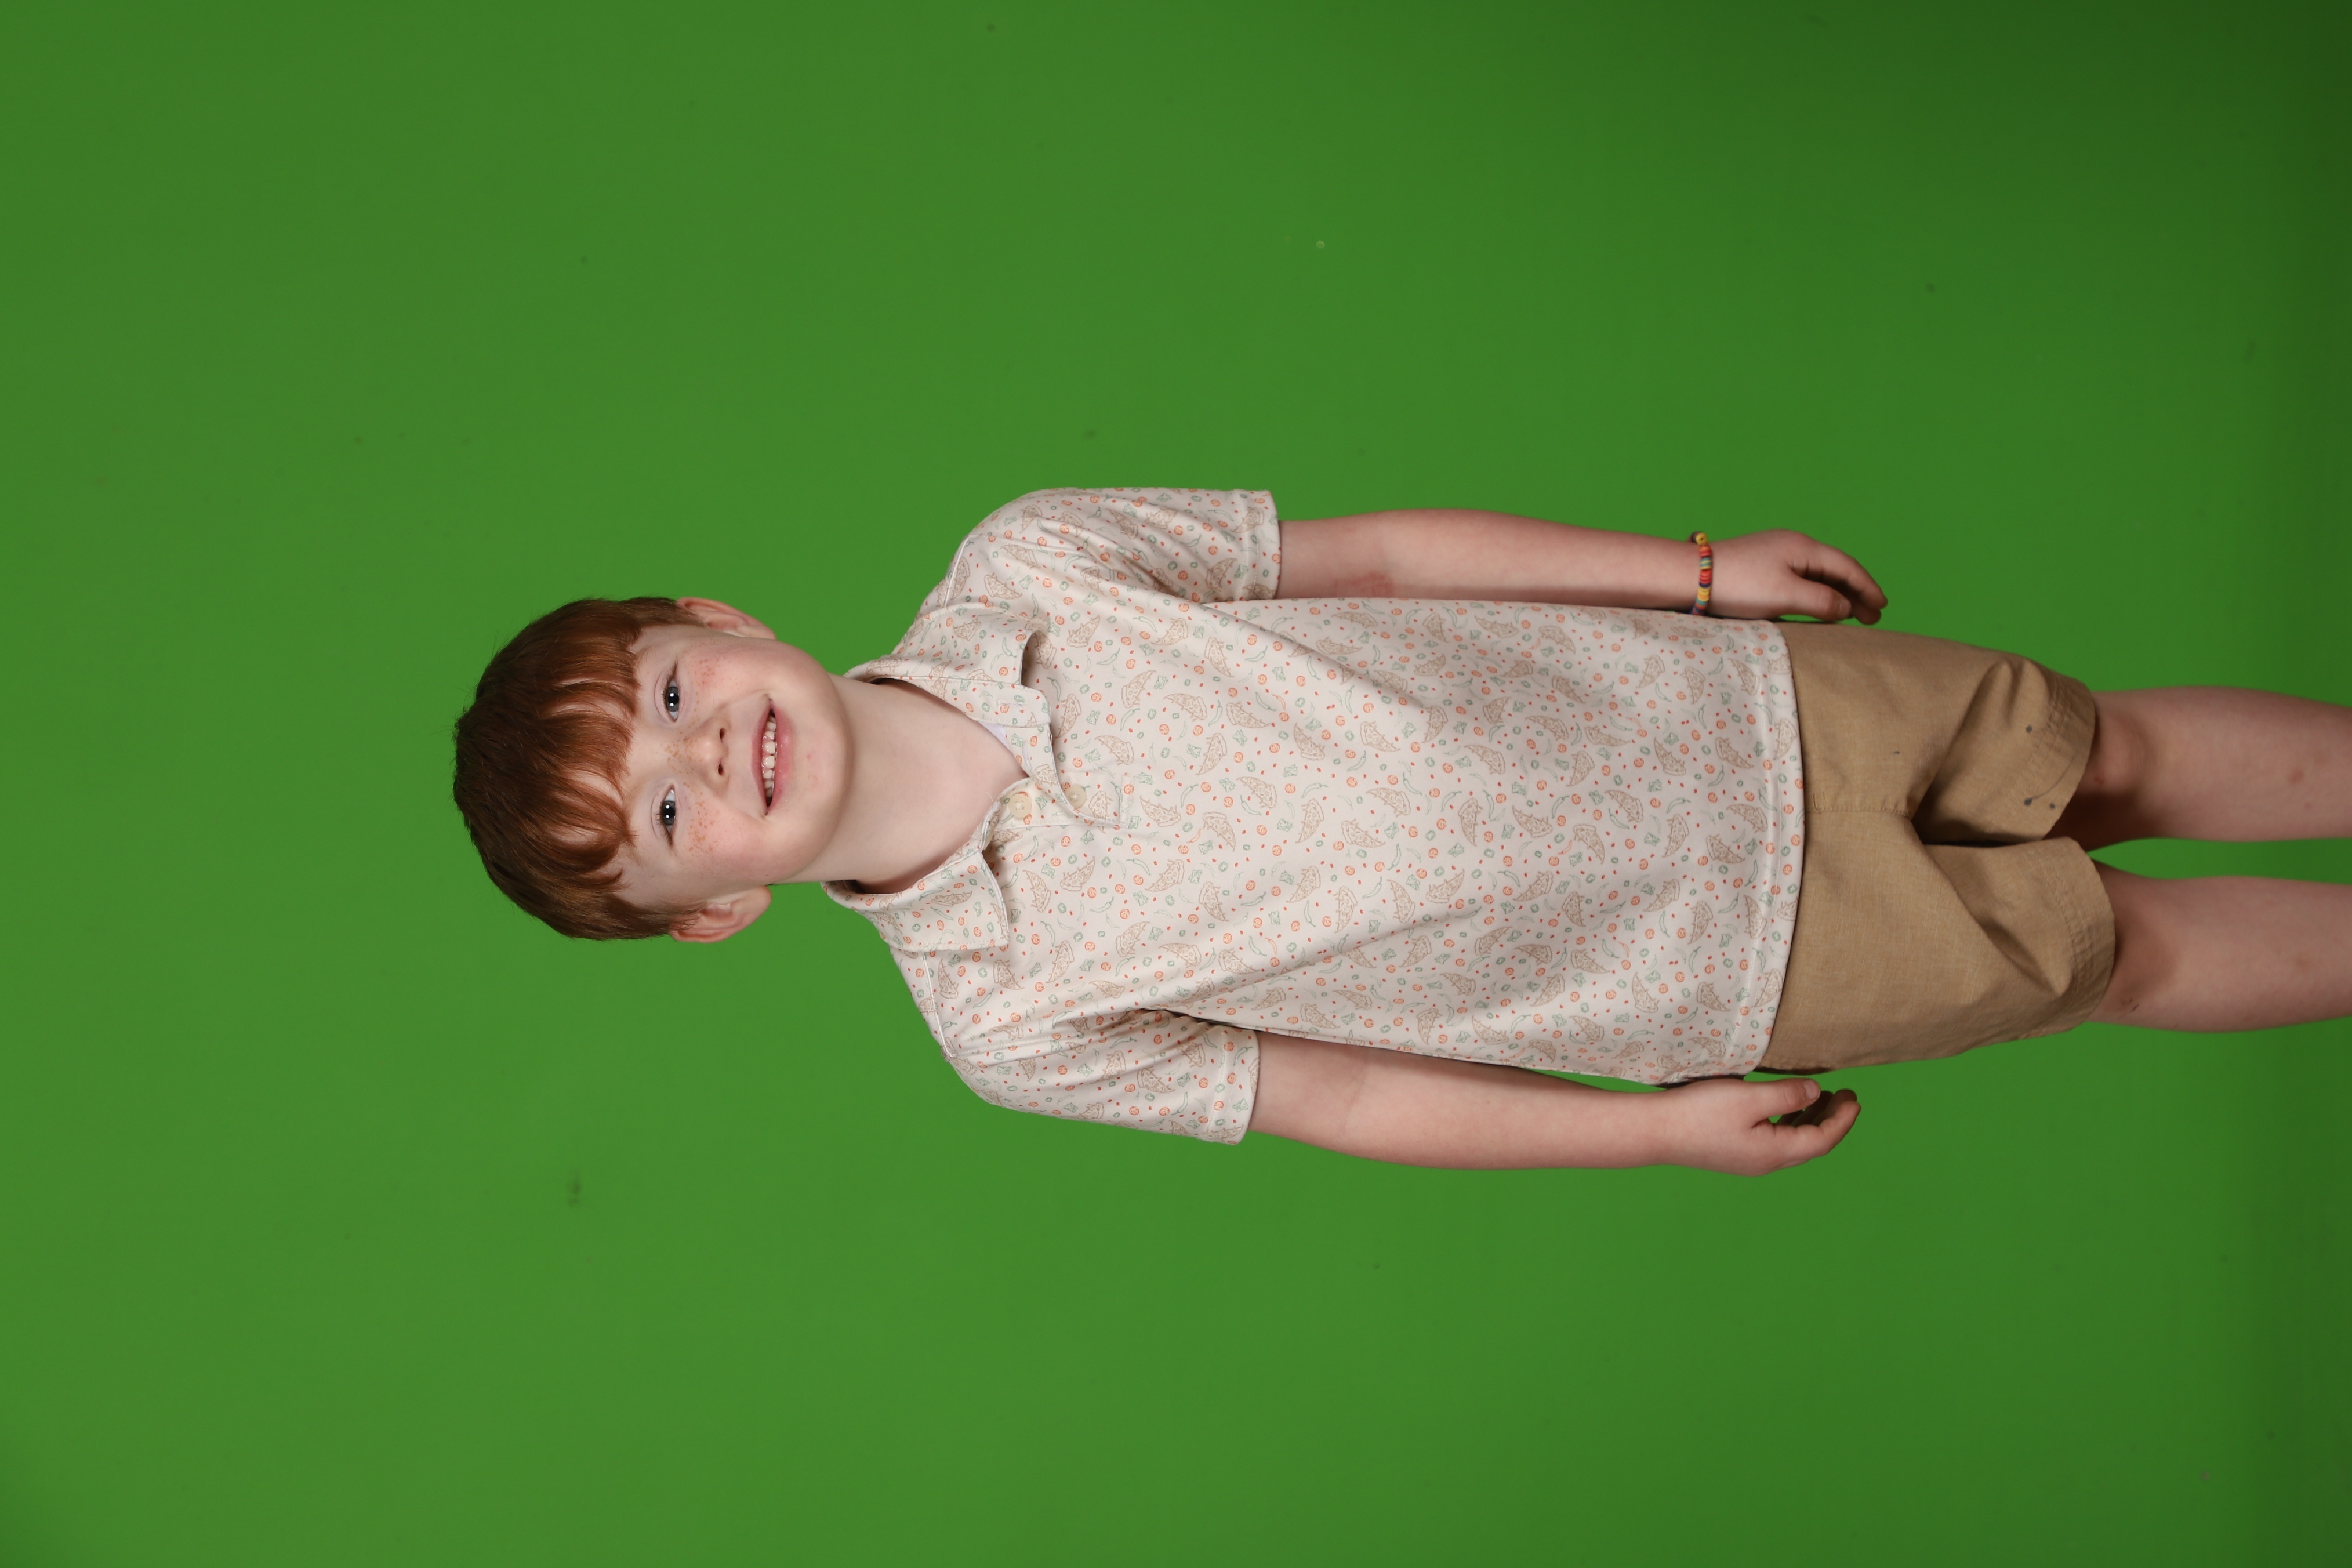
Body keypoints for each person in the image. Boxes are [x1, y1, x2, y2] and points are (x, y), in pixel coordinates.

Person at [451, 489, 2352, 1173]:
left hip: (1726, 706)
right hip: (1716, 965)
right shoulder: (1006, 1018)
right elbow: (1348, 1100)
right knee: (2121, 950)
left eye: (672, 693)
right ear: (714, 914)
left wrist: (1689, 574)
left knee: (2105, 753)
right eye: (670, 815)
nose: (711, 753)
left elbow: (1368, 556)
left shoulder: (1029, 565)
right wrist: (1647, 1134)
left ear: (716, 617)